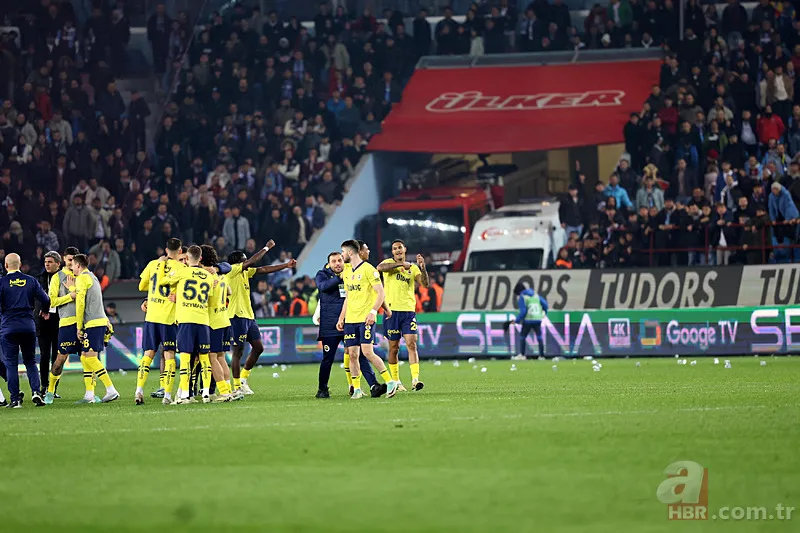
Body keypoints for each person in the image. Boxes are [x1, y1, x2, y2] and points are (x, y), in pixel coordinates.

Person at [226, 240, 296, 397]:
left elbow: (263, 269)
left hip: (249, 316)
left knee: (258, 348)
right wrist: (266, 247)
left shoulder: (245, 272)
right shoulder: (231, 271)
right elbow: (253, 261)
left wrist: (285, 266)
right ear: (238, 262)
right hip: (236, 315)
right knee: (237, 352)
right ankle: (236, 387)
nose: (247, 261)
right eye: (244, 259)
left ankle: (243, 379)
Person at [313, 251, 382, 398]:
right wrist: (340, 278)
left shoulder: (351, 273)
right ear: (329, 264)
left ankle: (373, 385)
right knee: (328, 358)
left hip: (350, 321)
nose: (337, 263)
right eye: (334, 261)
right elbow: (323, 286)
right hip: (330, 325)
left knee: (359, 355)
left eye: (339, 260)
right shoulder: (322, 274)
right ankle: (322, 389)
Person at [336, 239, 398, 399]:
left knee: (368, 352)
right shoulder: (347, 271)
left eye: (343, 252)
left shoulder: (369, 270)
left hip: (366, 319)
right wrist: (341, 317)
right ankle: (356, 389)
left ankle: (390, 382)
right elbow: (348, 297)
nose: (342, 256)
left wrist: (373, 312)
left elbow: (381, 293)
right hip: (350, 320)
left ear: (350, 252)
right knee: (353, 355)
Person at [158, 245, 213, 404]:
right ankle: (205, 395)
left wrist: (163, 264)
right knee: (204, 358)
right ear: (201, 258)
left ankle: (185, 395)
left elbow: (162, 281)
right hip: (203, 320)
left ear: (187, 258)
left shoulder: (182, 271)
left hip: (185, 320)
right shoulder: (207, 276)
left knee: (185, 358)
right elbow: (208, 296)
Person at [135, 238, 183, 405]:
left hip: (151, 316)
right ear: (180, 251)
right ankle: (167, 395)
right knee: (169, 356)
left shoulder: (152, 264)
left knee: (148, 354)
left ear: (166, 249)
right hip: (168, 318)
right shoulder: (181, 268)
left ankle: (139, 390)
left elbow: (142, 286)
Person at [377, 239, 429, 392]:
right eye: (394, 249)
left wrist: (423, 268)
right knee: (394, 348)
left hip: (408, 311)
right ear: (392, 252)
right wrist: (400, 265)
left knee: (412, 343)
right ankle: (396, 381)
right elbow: (380, 268)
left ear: (405, 249)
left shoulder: (413, 268)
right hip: (391, 312)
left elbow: (425, 284)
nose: (398, 250)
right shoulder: (388, 263)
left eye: (400, 248)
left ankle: (415, 380)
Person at [0, 253, 50, 407]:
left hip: (9, 327)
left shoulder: (1, 283)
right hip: (28, 325)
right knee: (30, 361)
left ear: (6, 265)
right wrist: (45, 311)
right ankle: (36, 392)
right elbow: (46, 299)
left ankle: (15, 399)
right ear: (20, 264)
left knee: (11, 364)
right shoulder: (31, 281)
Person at [73, 254, 120, 403]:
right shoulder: (92, 277)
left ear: (78, 266)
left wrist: (79, 326)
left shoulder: (81, 278)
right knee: (85, 356)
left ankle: (111, 390)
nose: (72, 268)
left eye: (73, 265)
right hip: (99, 321)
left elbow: (80, 304)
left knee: (91, 357)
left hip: (92, 323)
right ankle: (89, 394)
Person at [44, 247, 85, 404]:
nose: (72, 263)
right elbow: (52, 301)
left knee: (89, 358)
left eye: (75, 260)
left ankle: (90, 393)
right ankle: (50, 391)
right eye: (69, 260)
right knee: (60, 359)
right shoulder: (57, 277)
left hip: (85, 323)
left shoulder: (83, 275)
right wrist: (70, 296)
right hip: (67, 323)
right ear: (64, 259)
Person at [201, 245, 234, 402]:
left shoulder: (206, 277)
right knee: (221, 357)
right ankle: (229, 389)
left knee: (212, 357)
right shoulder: (220, 275)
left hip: (213, 322)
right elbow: (229, 292)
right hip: (224, 319)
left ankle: (224, 392)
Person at [36, 251, 61, 396]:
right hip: (43, 322)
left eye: (50, 262)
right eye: (46, 262)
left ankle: (53, 389)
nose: (47, 264)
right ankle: (44, 387)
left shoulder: (63, 278)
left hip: (58, 321)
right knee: (44, 355)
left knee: (57, 357)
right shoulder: (38, 279)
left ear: (58, 263)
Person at [508, 282, 548, 360]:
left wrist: (516, 320)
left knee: (523, 336)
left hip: (528, 320)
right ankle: (542, 356)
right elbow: (545, 304)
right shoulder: (536, 295)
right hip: (537, 319)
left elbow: (523, 311)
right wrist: (544, 313)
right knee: (539, 337)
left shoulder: (523, 297)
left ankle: (522, 355)